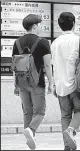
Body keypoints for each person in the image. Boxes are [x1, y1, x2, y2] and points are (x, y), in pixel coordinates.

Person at [12, 14, 53, 150]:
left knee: (27, 112)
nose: (40, 26)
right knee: (40, 111)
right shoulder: (43, 42)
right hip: (37, 83)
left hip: (22, 82)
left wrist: (15, 85)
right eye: (39, 24)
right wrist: (51, 83)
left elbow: (15, 65)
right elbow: (47, 65)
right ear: (35, 26)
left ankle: (30, 138)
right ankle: (31, 129)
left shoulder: (17, 42)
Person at [51, 12, 80, 150]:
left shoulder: (54, 43)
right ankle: (71, 130)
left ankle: (68, 146)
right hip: (77, 84)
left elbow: (53, 65)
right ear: (74, 23)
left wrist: (54, 85)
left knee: (65, 115)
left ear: (59, 25)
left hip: (60, 85)